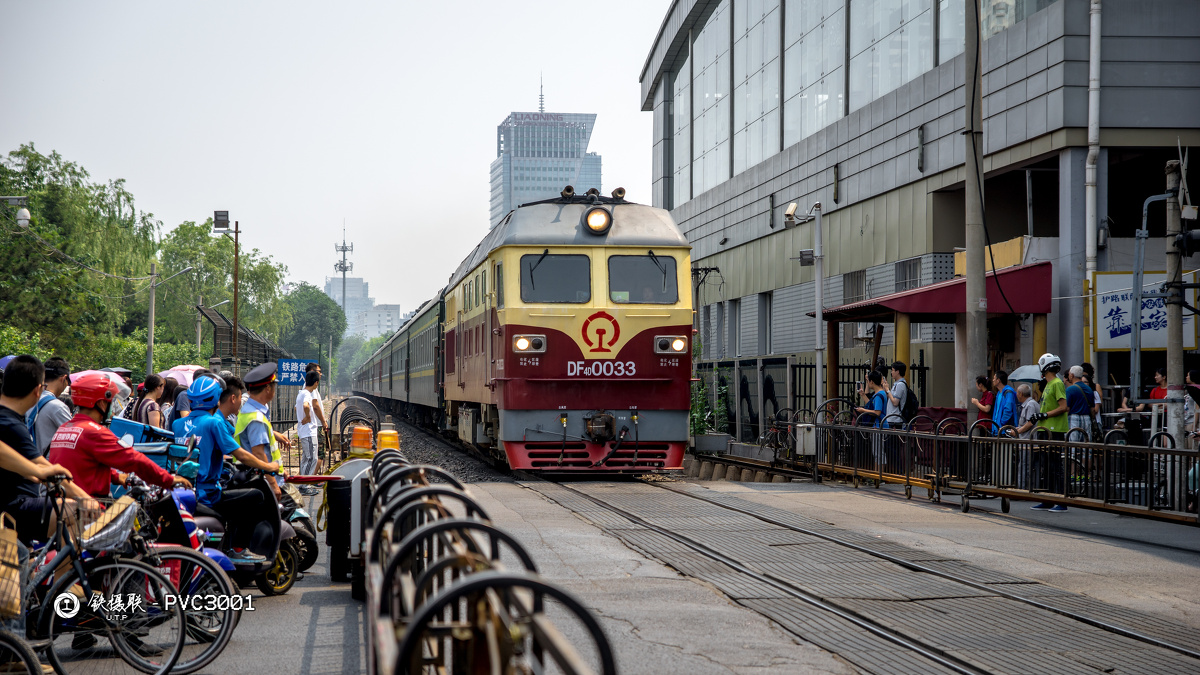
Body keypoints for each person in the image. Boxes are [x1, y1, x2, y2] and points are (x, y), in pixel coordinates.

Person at [48, 373, 191, 499]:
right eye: (111, 403)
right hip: (88, 509)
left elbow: (84, 465)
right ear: (102, 403)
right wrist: (168, 479)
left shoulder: (65, 428)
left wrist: (116, 477)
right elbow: (134, 459)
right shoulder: (94, 432)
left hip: (64, 504)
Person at [0, 355, 96, 544]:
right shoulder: (10, 423)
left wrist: (37, 471)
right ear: (38, 390)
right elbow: (41, 464)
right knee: (75, 512)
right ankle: (64, 575)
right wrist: (86, 499)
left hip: (18, 503)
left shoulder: (10, 418)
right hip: (13, 508)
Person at [187, 375, 278, 564]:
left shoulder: (179, 424)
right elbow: (242, 455)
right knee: (255, 496)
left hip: (189, 491)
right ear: (216, 398)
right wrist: (269, 467)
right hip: (208, 493)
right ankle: (238, 549)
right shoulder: (214, 422)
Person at [234, 363, 291, 498]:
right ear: (267, 388)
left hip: (256, 476)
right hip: (262, 482)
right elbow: (259, 453)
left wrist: (280, 472)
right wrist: (273, 483)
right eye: (274, 386)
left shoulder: (247, 411)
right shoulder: (256, 418)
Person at [1032, 353, 1069, 512]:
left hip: (1055, 430)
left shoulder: (1057, 383)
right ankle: (1047, 499)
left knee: (1055, 466)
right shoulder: (1048, 384)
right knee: (1046, 466)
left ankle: (1061, 501)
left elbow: (1063, 407)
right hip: (1045, 430)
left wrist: (1044, 415)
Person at [26, 356, 73, 457]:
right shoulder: (58, 407)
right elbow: (76, 439)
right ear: (64, 378)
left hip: (24, 464)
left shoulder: (27, 400)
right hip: (46, 468)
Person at [1010, 383, 1041, 490]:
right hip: (1027, 441)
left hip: (1028, 441)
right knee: (1026, 465)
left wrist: (1017, 432)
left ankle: (1022, 489)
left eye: (1017, 393)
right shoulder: (1029, 404)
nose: (1017, 395)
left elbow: (1030, 423)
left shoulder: (1030, 405)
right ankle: (1026, 488)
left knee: (1024, 466)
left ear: (1021, 394)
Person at [294, 370, 321, 494]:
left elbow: (296, 407)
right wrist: (308, 417)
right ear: (316, 383)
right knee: (312, 458)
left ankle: (303, 483)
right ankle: (305, 486)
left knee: (306, 459)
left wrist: (301, 418)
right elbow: (306, 406)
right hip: (309, 432)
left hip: (303, 431)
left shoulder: (301, 393)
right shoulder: (307, 394)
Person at [304, 362, 329, 472]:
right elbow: (315, 406)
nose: (321, 374)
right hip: (316, 425)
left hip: (313, 426)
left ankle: (306, 479)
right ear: (313, 372)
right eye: (319, 371)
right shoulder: (311, 388)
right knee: (319, 455)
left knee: (309, 456)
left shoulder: (308, 387)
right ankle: (311, 480)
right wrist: (323, 422)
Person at [1065, 366, 1097, 442]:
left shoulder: (1070, 389)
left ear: (1072, 375)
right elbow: (1092, 409)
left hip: (1073, 418)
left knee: (1073, 445)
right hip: (1087, 419)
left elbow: (1067, 408)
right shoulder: (1089, 389)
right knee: (1086, 446)